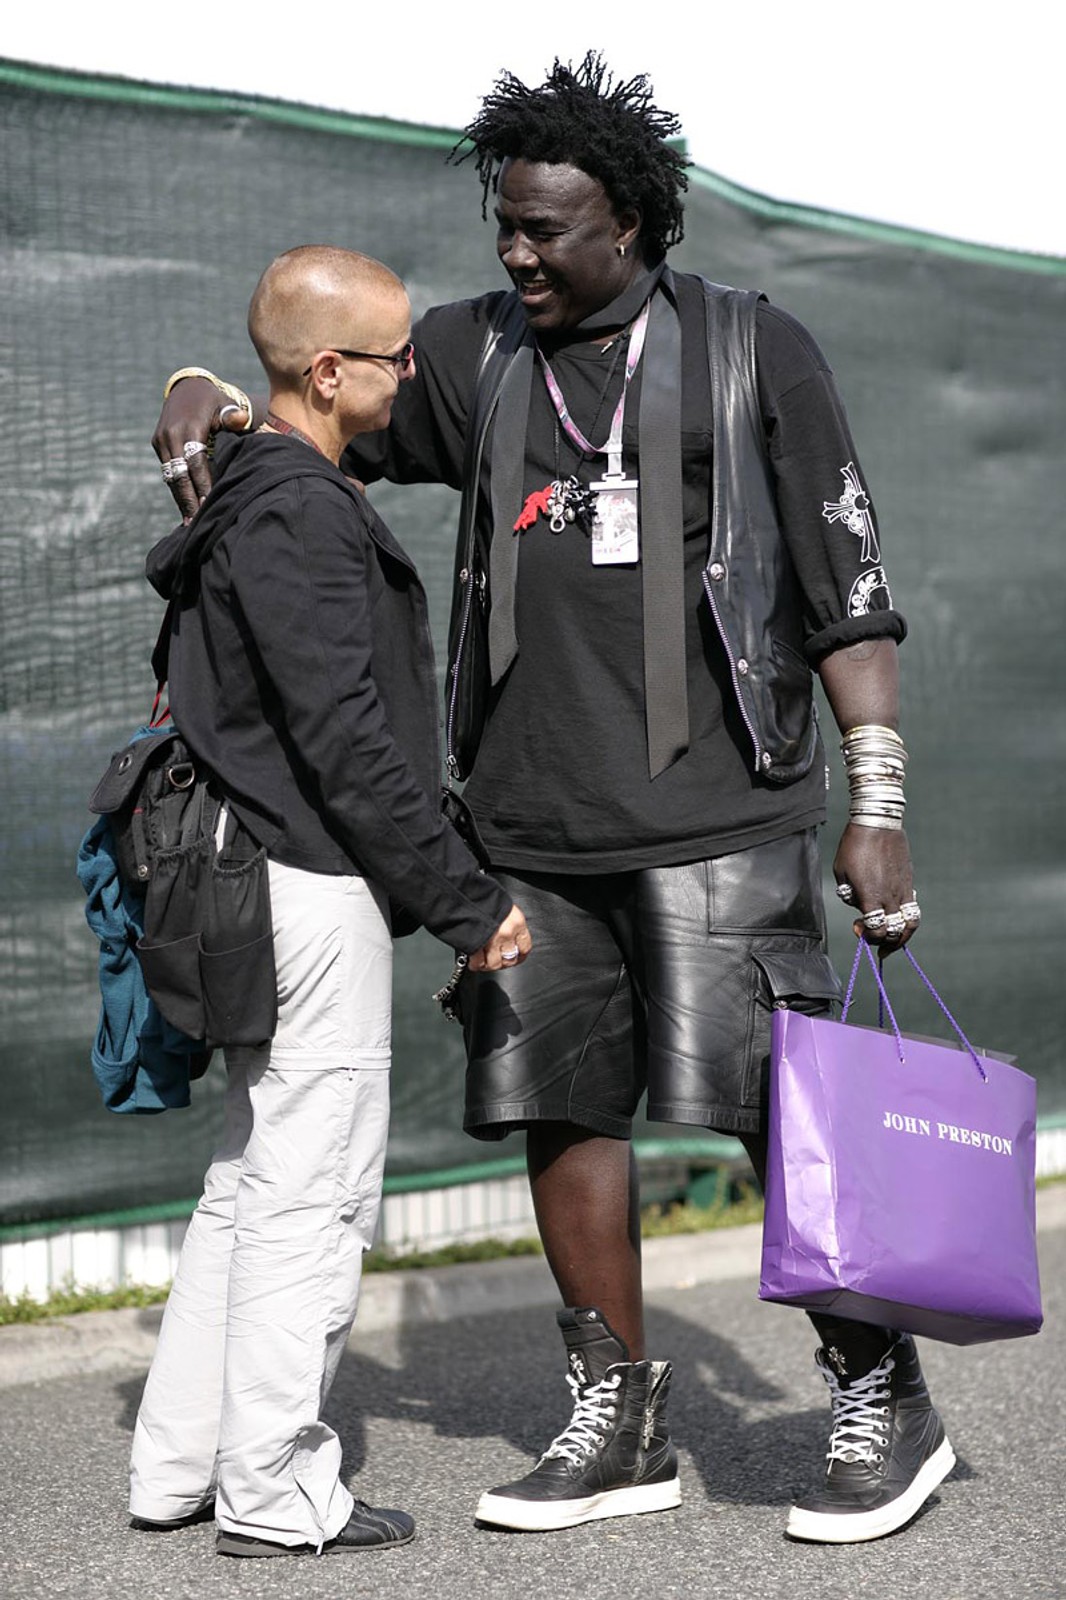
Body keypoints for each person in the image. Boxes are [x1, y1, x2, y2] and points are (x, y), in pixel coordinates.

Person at [153, 56, 948, 1546]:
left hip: (720, 817)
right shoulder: (469, 356)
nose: (515, 252)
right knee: (557, 1111)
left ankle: (876, 1389)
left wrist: (876, 797)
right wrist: (205, 386)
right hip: (522, 829)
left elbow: (852, 592)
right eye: (503, 224)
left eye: (547, 229)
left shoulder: (749, 350)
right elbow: (312, 397)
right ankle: (616, 1412)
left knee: (783, 1119)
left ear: (634, 226)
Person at [130, 245, 530, 1559]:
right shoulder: (296, 510)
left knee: (249, 1183)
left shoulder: (246, 489)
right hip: (305, 880)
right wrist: (465, 901)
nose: (412, 373)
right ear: (325, 370)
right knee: (307, 1198)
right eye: (394, 355)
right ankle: (274, 1493)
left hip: (252, 876)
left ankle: (177, 1468)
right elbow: (347, 739)